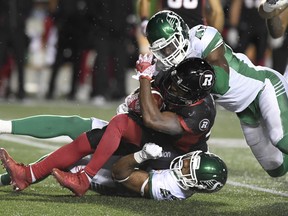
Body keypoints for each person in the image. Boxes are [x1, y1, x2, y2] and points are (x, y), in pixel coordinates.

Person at [0, 56, 217, 197]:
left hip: (170, 154)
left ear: (192, 96)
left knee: (85, 154)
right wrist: (139, 100)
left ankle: (82, 178)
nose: (171, 88)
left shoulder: (199, 115)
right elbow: (142, 102)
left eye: (178, 90)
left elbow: (153, 120)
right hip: (154, 134)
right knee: (87, 130)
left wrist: (143, 78)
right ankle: (26, 173)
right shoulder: (174, 78)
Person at [144, 10, 288, 178]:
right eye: (162, 50)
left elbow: (221, 83)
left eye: (170, 45)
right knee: (276, 168)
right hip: (245, 111)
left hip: (264, 87)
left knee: (281, 139)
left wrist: (185, 78)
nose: (168, 53)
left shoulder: (201, 39)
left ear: (181, 33)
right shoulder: (166, 66)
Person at [0, 143, 228, 200]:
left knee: (72, 163)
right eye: (191, 160)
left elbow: (121, 174)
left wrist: (142, 155)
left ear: (196, 184)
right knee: (71, 151)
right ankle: (22, 175)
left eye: (189, 168)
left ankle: (19, 177)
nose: (184, 162)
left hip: (118, 182)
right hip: (137, 164)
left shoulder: (166, 188)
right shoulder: (186, 168)